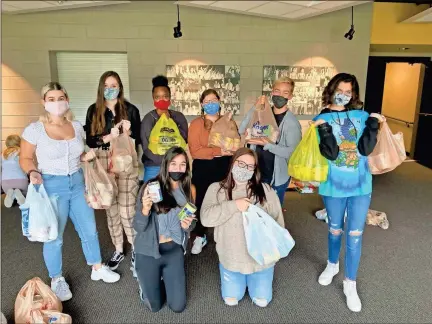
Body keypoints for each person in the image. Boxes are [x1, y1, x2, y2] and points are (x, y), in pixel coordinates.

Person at [20, 82, 120, 302]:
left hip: (77, 183)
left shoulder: (74, 126)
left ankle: (96, 267)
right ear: (44, 102)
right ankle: (56, 279)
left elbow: (80, 151)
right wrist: (32, 172)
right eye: (52, 99)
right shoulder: (35, 130)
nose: (57, 103)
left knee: (90, 229)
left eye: (61, 98)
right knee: (54, 237)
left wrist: (86, 156)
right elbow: (25, 158)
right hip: (51, 185)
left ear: (67, 100)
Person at [312, 73, 383, 312]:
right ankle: (332, 265)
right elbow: (330, 154)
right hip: (333, 185)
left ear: (354, 94)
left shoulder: (362, 116)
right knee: (334, 230)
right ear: (332, 90)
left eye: (349, 91)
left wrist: (373, 122)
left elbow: (365, 148)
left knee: (354, 234)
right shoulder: (320, 118)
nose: (343, 94)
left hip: (361, 185)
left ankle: (349, 282)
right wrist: (324, 129)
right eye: (339, 89)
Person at [201, 148, 284, 308]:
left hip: (261, 260)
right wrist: (234, 205)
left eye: (250, 166)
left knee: (262, 300)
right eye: (241, 163)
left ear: (255, 170)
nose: (244, 169)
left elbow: (278, 223)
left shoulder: (266, 190)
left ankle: (259, 278)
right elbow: (206, 219)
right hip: (231, 258)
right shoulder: (216, 189)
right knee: (231, 299)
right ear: (233, 163)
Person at [85, 71, 141, 272]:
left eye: (114, 85)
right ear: (101, 88)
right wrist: (110, 136)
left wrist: (128, 133)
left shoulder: (131, 110)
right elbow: (91, 141)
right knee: (112, 210)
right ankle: (118, 248)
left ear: (120, 87)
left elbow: (139, 140)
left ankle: (135, 248)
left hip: (125, 164)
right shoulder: (94, 110)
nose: (111, 89)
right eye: (107, 85)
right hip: (102, 164)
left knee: (128, 211)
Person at [133, 146, 196, 313]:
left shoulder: (190, 189)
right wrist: (145, 209)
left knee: (178, 306)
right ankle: (146, 285)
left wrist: (187, 225)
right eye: (173, 163)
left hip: (173, 249)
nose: (178, 168)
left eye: (183, 164)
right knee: (154, 306)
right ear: (166, 165)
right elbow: (138, 227)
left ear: (187, 167)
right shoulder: (151, 186)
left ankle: (158, 280)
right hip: (148, 251)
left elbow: (192, 223)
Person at [239, 77, 302, 208]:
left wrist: (267, 145)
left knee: (272, 213)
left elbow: (292, 152)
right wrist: (255, 108)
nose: (280, 95)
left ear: (290, 96)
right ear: (272, 92)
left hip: (276, 177)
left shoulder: (291, 123)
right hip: (256, 172)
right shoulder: (263, 113)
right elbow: (242, 129)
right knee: (253, 210)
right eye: (277, 91)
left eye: (285, 93)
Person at [187, 89, 233, 255]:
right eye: (207, 101)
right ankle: (199, 235)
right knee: (201, 201)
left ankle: (225, 235)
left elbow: (234, 144)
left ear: (220, 101)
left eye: (214, 100)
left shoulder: (227, 121)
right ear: (202, 104)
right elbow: (195, 151)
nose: (211, 103)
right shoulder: (196, 124)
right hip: (203, 168)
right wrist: (219, 150)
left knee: (224, 199)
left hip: (224, 166)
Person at [140, 75, 188, 183]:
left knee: (176, 197)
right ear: (153, 98)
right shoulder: (148, 119)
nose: (162, 100)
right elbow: (147, 148)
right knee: (151, 196)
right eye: (157, 97)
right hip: (154, 166)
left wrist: (170, 121)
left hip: (176, 167)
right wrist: (165, 161)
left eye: (165, 96)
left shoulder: (178, 117)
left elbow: (184, 140)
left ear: (170, 97)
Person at [2, 135, 28, 207]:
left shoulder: (2, 154)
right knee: (26, 192)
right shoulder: (23, 152)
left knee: (8, 191)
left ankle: (11, 194)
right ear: (19, 142)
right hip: (21, 182)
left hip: (5, 184)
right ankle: (18, 194)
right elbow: (28, 168)